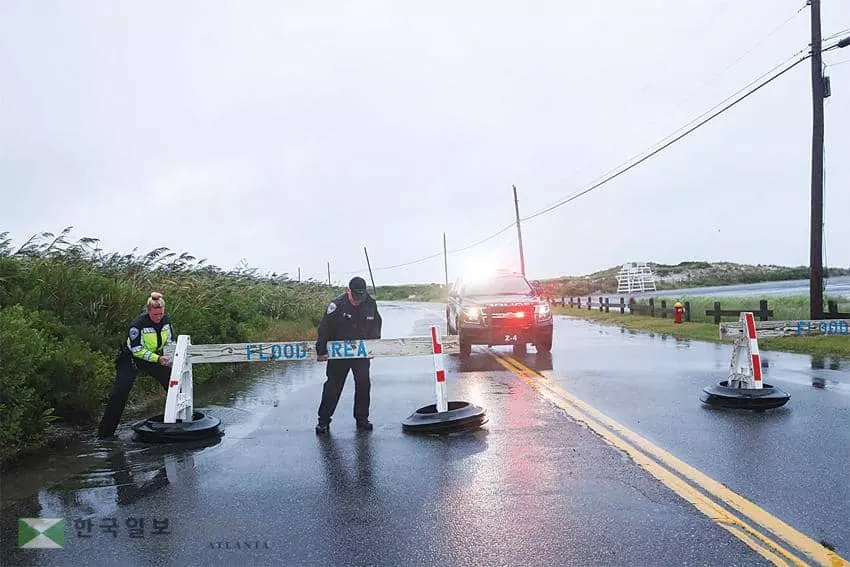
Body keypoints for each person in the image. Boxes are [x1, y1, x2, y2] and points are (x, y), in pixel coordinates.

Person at [97, 292, 176, 439]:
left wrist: (170, 356)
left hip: (154, 358)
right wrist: (158, 359)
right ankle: (104, 435)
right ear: (148, 311)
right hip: (131, 358)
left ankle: (178, 421)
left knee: (174, 384)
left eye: (160, 314)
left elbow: (170, 341)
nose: (158, 318)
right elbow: (137, 350)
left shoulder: (166, 321)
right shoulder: (137, 324)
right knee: (119, 393)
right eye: (155, 315)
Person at [315, 276, 382, 435]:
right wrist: (321, 350)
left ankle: (362, 419)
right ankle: (323, 421)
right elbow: (324, 328)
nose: (358, 301)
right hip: (339, 354)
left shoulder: (370, 303)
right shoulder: (336, 305)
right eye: (355, 297)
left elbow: (376, 324)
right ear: (348, 291)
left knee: (363, 384)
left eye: (361, 297)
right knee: (333, 386)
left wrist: (373, 346)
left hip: (360, 353)